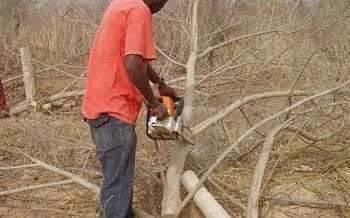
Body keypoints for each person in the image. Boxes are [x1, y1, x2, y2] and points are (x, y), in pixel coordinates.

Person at [82, 0, 179, 217]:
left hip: (100, 108)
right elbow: (133, 63)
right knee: (117, 189)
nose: (162, 6)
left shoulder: (122, 4)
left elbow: (136, 57)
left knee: (117, 183)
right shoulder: (140, 10)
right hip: (114, 112)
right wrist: (153, 103)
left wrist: (159, 83)